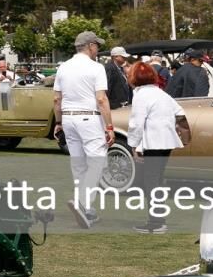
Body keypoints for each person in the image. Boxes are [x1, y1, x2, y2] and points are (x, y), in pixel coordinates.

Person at [53, 31, 115, 229]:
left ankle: (87, 209)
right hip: (89, 118)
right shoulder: (96, 67)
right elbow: (101, 99)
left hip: (69, 118)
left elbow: (57, 99)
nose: (98, 49)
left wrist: (58, 122)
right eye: (97, 45)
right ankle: (83, 202)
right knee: (97, 163)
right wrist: (109, 126)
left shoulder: (63, 67)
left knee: (79, 165)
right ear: (90, 46)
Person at [126, 62, 186, 234]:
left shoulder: (141, 96)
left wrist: (133, 145)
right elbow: (180, 112)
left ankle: (156, 222)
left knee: (151, 181)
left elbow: (136, 124)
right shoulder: (161, 93)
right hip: (167, 142)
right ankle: (157, 220)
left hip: (153, 143)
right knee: (157, 180)